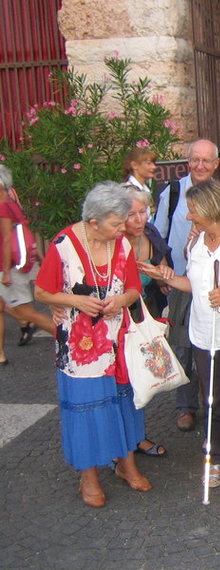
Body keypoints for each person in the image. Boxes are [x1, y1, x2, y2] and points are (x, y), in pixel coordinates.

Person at [143, 180, 220, 488]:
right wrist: (169, 279)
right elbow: (194, 285)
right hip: (204, 335)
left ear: (211, 210)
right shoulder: (195, 243)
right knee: (213, 400)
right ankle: (216, 457)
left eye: (193, 211)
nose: (188, 217)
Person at [34, 182, 149, 508]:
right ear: (94, 222)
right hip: (78, 345)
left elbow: (133, 289)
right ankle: (89, 477)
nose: (122, 228)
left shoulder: (122, 245)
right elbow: (42, 292)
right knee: (86, 408)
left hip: (117, 340)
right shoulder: (64, 244)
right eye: (116, 223)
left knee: (122, 401)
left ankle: (126, 464)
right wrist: (76, 301)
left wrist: (120, 300)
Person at [153, 139, 220, 432]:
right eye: (196, 160)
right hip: (182, 282)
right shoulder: (174, 192)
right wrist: (162, 272)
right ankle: (185, 406)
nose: (201, 166)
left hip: (217, 285)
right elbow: (158, 235)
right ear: (188, 161)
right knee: (184, 347)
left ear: (216, 164)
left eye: (207, 161)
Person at [121, 186, 172, 458]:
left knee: (139, 377)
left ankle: (136, 436)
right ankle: (123, 441)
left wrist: (164, 276)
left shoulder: (150, 232)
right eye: (131, 214)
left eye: (143, 212)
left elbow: (162, 267)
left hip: (144, 310)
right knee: (122, 380)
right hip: (117, 316)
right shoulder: (113, 239)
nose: (139, 219)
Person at [0, 165, 55, 363]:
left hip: (9, 267)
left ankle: (68, 340)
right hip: (13, 265)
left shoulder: (3, 207)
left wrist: (6, 272)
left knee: (26, 312)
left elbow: (6, 239)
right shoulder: (12, 204)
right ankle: (0, 355)